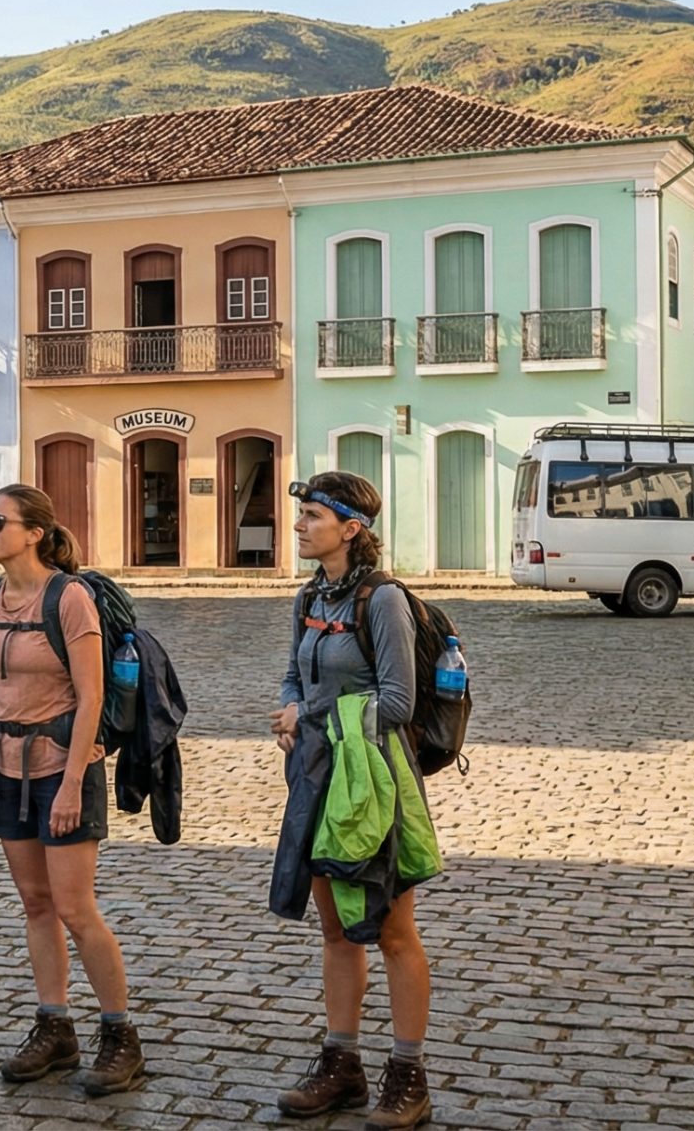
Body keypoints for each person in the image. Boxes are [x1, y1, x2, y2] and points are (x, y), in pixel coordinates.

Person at [0, 484, 144, 1094]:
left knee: (75, 908)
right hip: (7, 767)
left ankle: (119, 1035)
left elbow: (90, 696)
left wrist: (71, 785)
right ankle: (54, 1025)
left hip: (64, 767)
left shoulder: (70, 598)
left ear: (35, 533)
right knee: (35, 903)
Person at [270, 470, 435, 1129]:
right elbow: (294, 671)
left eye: (313, 515)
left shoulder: (383, 599)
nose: (300, 525)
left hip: (373, 782)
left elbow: (398, 701)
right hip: (316, 777)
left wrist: (311, 713)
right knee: (336, 928)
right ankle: (342, 1065)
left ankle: (409, 1074)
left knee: (392, 931)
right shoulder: (310, 594)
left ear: (351, 528)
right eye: (302, 514)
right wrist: (291, 707)